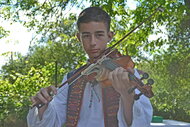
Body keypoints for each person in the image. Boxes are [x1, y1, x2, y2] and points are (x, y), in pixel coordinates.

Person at [27, 6, 153, 127]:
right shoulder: (72, 78)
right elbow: (52, 123)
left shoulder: (126, 73)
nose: (92, 42)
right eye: (86, 36)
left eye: (99, 35)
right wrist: (43, 106)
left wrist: (127, 96)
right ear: (78, 38)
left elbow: (142, 123)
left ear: (109, 36)